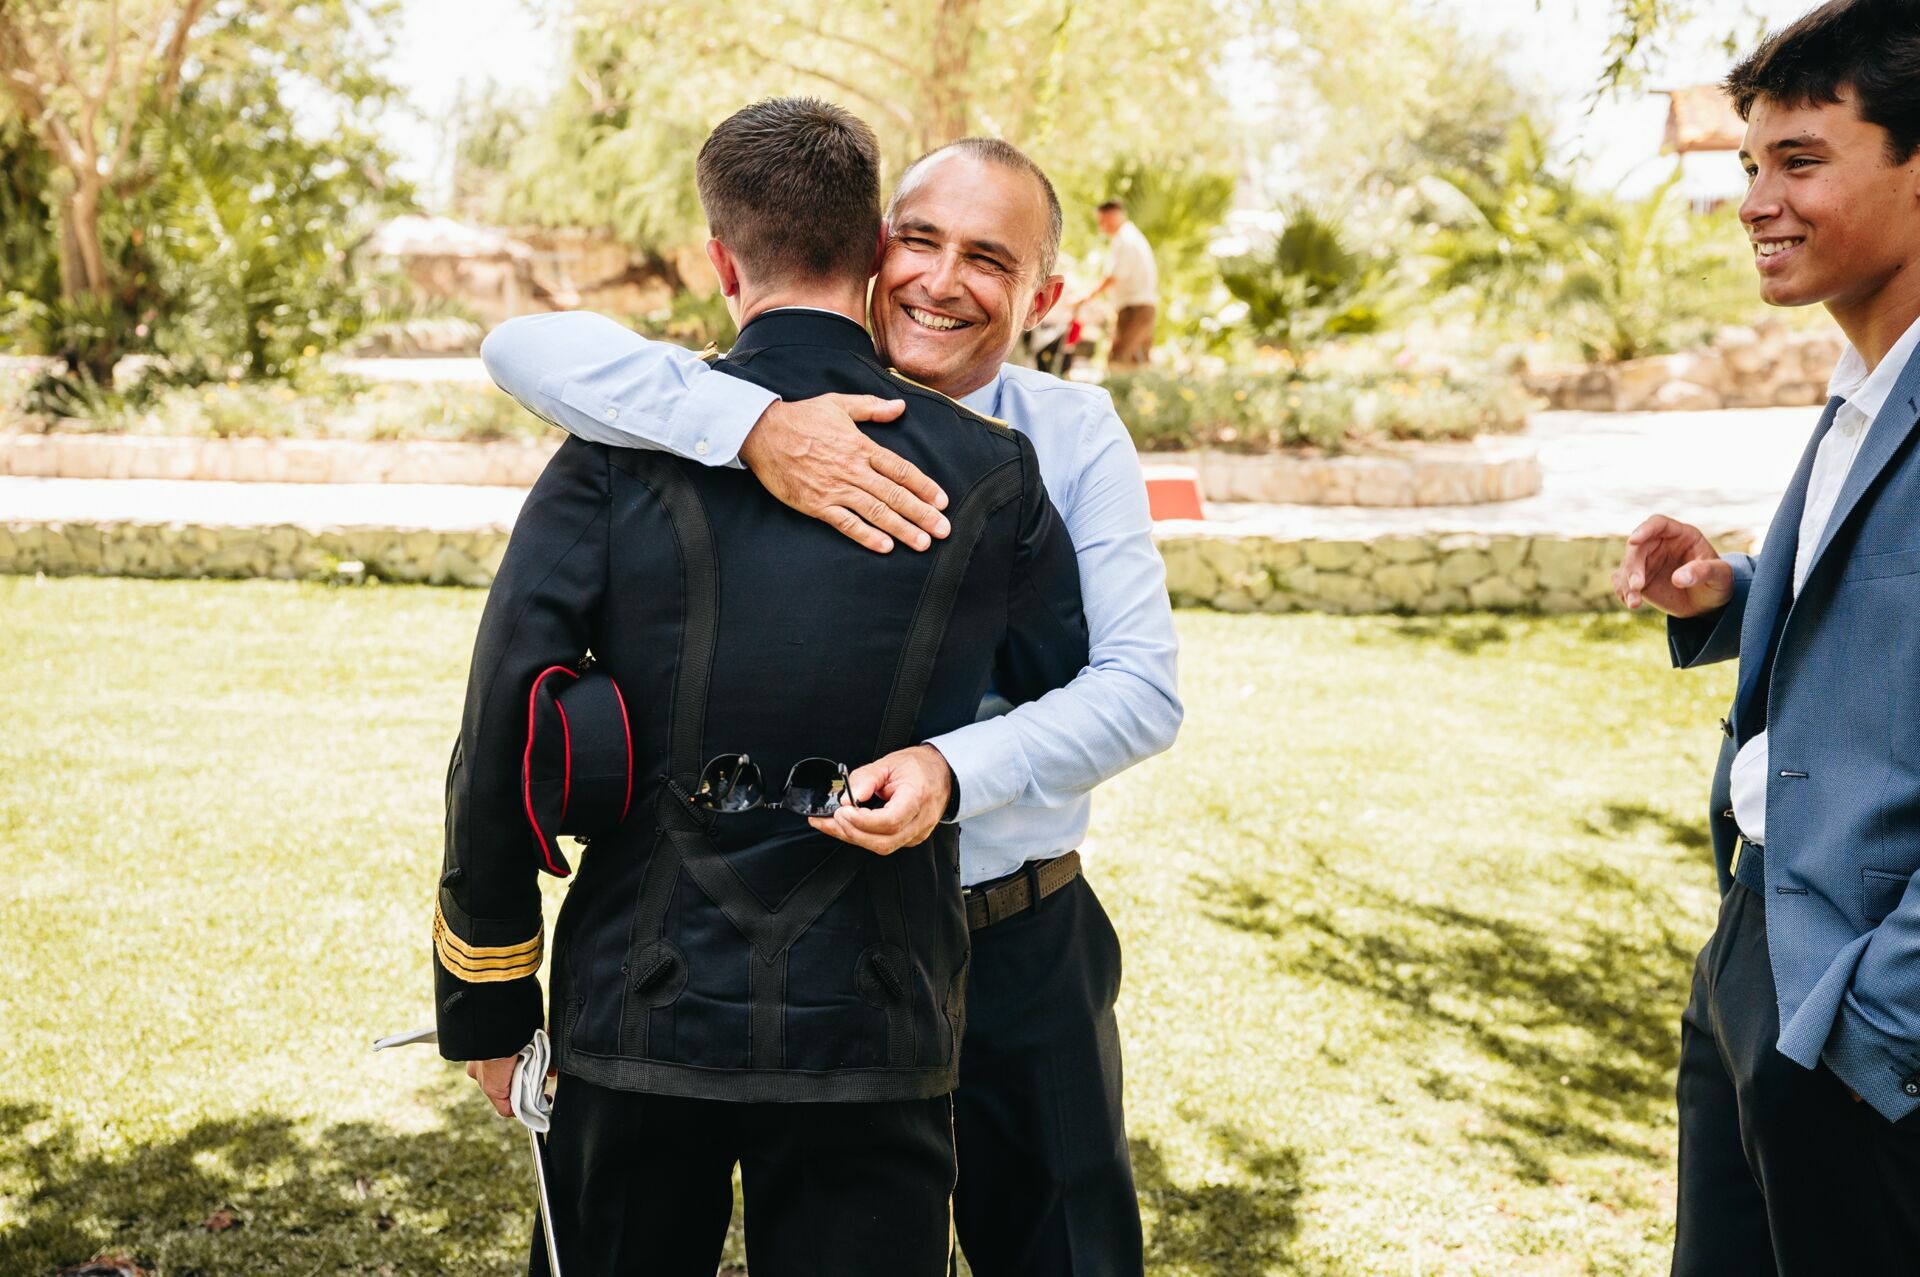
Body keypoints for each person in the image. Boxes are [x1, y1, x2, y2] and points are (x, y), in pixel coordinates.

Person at [481, 136, 1183, 1276]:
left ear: (1046, 298)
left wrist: (952, 768)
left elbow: (1139, 688)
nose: (940, 280)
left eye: (987, 259)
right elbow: (519, 345)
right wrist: (754, 429)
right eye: (919, 241)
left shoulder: (1068, 435)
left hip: (1013, 933)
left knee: (1065, 1250)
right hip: (829, 951)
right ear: (867, 250)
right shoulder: (714, 404)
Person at [1612, 3, 1920, 1271]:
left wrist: (1877, 1025)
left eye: (1801, 162)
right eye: (1750, 166)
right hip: (1753, 942)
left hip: (1863, 1001)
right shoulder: (1863, 387)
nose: (1755, 202)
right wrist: (1733, 592)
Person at [1073, 199, 1158, 368]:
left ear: (1113, 215)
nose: (1101, 227)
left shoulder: (1125, 239)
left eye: (1103, 221)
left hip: (1135, 309)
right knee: (1136, 363)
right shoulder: (1129, 237)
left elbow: (1113, 277)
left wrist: (1086, 296)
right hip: (1138, 308)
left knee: (1118, 359)